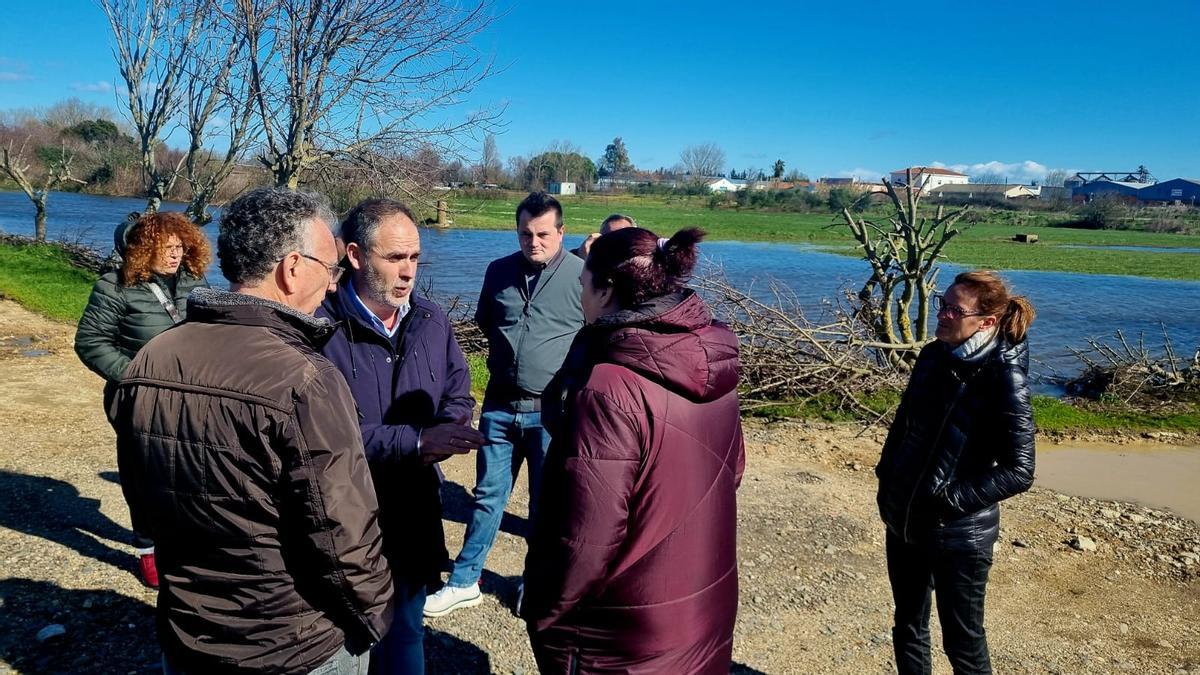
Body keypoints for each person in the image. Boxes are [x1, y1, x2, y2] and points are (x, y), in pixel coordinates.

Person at [108, 188, 394, 674]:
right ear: (292, 268)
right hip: (293, 647)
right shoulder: (305, 380)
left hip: (187, 636)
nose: (332, 288)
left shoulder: (149, 360)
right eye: (330, 270)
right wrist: (376, 617)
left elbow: (142, 503)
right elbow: (343, 533)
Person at [521, 226, 744, 673]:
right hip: (701, 609)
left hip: (621, 635)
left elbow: (586, 535)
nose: (578, 295)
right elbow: (732, 471)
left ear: (605, 292)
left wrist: (542, 608)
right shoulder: (713, 363)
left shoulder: (609, 387)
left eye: (581, 284)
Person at [317, 198, 483, 674]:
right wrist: (413, 442)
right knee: (346, 641)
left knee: (407, 630)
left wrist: (449, 425)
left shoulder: (431, 320)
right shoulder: (319, 327)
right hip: (343, 516)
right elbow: (324, 438)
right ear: (354, 255)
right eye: (394, 258)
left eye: (414, 258)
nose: (408, 271)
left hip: (413, 509)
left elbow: (457, 388)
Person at [424, 192, 584, 618]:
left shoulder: (582, 277)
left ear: (561, 233)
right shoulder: (498, 272)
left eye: (543, 234)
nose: (534, 242)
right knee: (487, 496)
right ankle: (464, 581)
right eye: (525, 234)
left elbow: (594, 340)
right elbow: (487, 322)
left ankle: (536, 584)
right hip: (498, 406)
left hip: (550, 414)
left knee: (543, 506)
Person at [875, 270, 1036, 675]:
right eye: (942, 304)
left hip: (959, 535)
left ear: (986, 322)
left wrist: (946, 501)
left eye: (954, 310)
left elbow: (1021, 470)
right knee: (908, 626)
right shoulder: (932, 356)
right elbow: (904, 423)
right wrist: (888, 474)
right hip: (905, 520)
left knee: (962, 642)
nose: (942, 315)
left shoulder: (1003, 375)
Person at [75, 210, 211, 588]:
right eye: (166, 248)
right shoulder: (114, 286)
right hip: (137, 400)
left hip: (190, 400)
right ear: (141, 248)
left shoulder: (192, 283)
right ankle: (147, 550)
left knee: (190, 473)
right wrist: (137, 376)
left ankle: (185, 543)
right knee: (144, 478)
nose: (175, 255)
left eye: (181, 247)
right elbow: (90, 342)